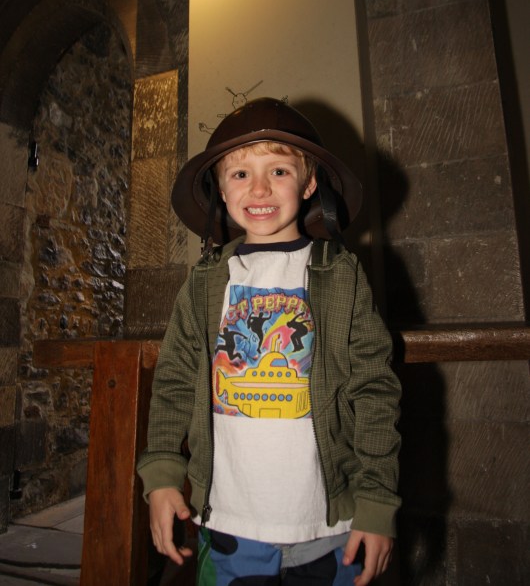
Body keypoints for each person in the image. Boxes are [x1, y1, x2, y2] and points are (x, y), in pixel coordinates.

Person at [137, 97, 401, 586]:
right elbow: (173, 380)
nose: (258, 187)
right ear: (218, 186)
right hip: (228, 523)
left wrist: (378, 500)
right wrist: (162, 473)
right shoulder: (205, 281)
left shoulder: (340, 276)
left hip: (329, 527)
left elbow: (375, 393)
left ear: (310, 182)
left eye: (278, 170)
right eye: (239, 174)